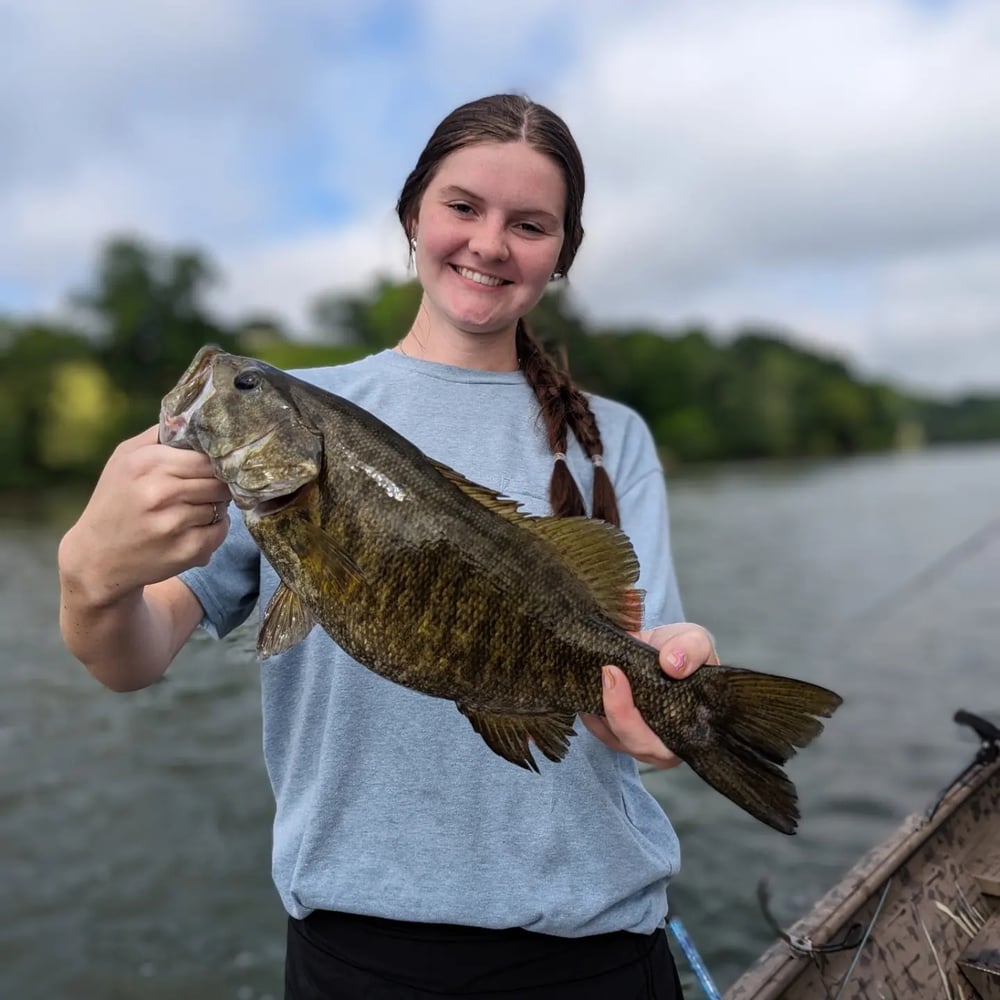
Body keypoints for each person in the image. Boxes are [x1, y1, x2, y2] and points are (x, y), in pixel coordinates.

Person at [58, 94, 720, 999]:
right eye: (462, 207)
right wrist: (90, 575)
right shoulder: (298, 415)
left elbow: (627, 703)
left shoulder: (613, 438)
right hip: (357, 951)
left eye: (529, 224)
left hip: (595, 939)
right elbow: (130, 657)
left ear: (560, 255)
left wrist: (670, 698)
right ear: (413, 215)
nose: (489, 242)